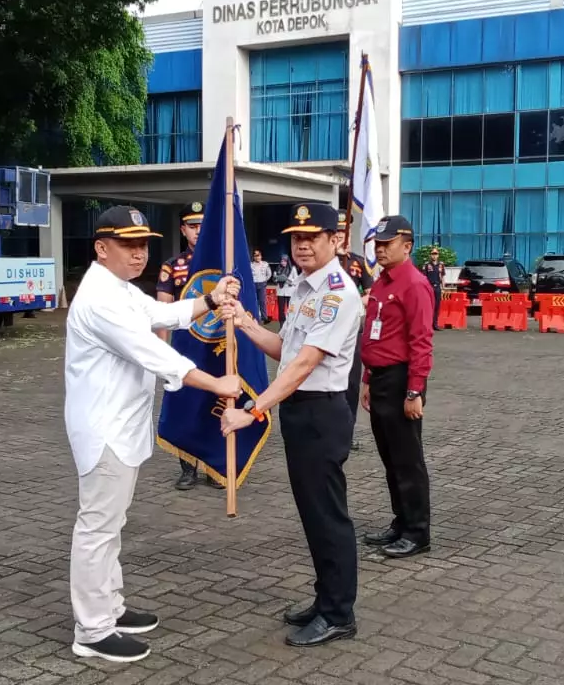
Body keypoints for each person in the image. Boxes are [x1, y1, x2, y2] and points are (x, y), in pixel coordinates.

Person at [64, 206, 243, 663]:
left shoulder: (120, 289)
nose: (139, 253)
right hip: (104, 430)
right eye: (128, 245)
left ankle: (111, 607)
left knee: (112, 525)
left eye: (143, 244)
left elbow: (166, 313)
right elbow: (154, 354)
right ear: (102, 249)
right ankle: (92, 630)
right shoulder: (99, 298)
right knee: (98, 528)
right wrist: (217, 383)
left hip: (120, 427)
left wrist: (209, 297)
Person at [218, 202, 365, 648]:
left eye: (312, 237)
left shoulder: (338, 293)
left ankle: (339, 613)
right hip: (300, 411)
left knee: (328, 517)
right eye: (296, 238)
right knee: (312, 514)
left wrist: (253, 409)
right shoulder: (303, 286)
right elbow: (285, 347)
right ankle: (326, 599)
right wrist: (244, 323)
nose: (302, 245)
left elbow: (304, 365)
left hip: (322, 411)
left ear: (334, 240)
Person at [358, 215, 435, 559]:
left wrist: (415, 391)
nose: (380, 249)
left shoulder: (414, 284)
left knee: (408, 461)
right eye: (377, 243)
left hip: (402, 379)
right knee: (390, 458)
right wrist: (366, 379)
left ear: (407, 246)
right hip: (380, 378)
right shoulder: (381, 282)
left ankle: (417, 532)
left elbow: (421, 342)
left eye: (387, 244)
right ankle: (401, 521)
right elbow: (374, 333)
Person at [155, 202, 223, 491]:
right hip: (185, 344)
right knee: (185, 404)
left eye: (202, 225)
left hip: (217, 345)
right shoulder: (172, 266)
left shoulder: (223, 263)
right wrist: (161, 351)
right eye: (192, 226)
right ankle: (188, 468)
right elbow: (161, 311)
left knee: (216, 403)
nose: (198, 231)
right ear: (183, 230)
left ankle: (215, 466)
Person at [336, 211, 374, 438]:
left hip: (352, 330)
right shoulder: (324, 262)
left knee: (351, 383)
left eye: (345, 232)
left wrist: (352, 303)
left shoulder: (358, 262)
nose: (343, 236)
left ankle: (347, 432)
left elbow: (371, 294)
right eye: (339, 232)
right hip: (326, 329)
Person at [420, 247, 446, 330]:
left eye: (436, 254)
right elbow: (424, 277)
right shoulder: (427, 265)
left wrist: (443, 287)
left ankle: (435, 324)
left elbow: (442, 277)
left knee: (437, 306)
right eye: (433, 254)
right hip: (429, 287)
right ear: (430, 255)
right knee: (429, 306)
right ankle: (428, 325)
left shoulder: (441, 265)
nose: (434, 256)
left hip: (437, 287)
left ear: (438, 255)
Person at [250, 249, 273, 323]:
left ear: (261, 256)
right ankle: (256, 317)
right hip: (254, 284)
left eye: (258, 255)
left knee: (262, 301)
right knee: (255, 302)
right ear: (253, 257)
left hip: (262, 284)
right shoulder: (251, 265)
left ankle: (264, 317)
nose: (257, 257)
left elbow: (269, 274)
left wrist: (264, 280)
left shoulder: (265, 264)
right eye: (255, 256)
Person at [276, 255, 298, 325]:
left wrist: (288, 280)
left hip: (290, 291)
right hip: (281, 291)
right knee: (281, 309)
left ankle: (290, 323)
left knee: (290, 308)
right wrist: (276, 278)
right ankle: (281, 324)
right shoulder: (278, 268)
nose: (283, 262)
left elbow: (297, 280)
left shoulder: (293, 269)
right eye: (281, 261)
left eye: (284, 261)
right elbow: (275, 279)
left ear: (287, 261)